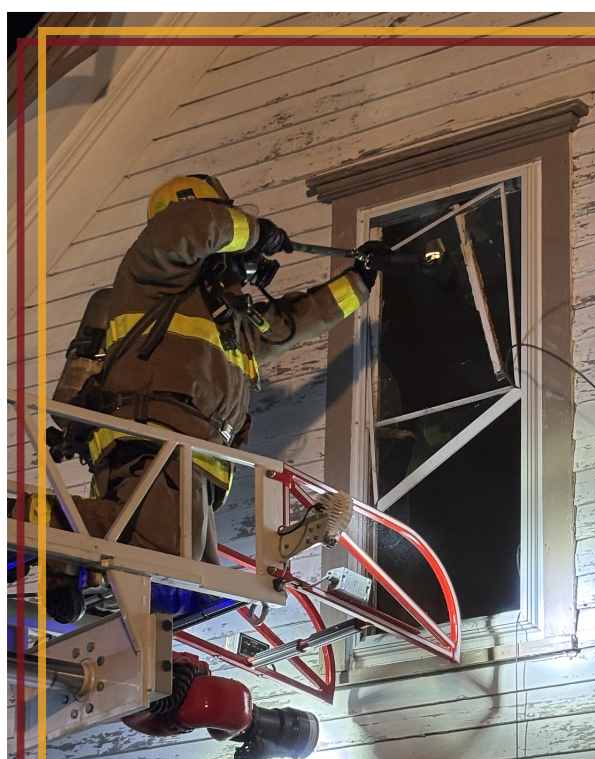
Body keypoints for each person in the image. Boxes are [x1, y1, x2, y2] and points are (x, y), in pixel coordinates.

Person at [41, 173, 385, 622]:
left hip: (194, 461)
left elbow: (297, 322)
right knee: (166, 555)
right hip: (152, 445)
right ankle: (48, 523)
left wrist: (361, 279)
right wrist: (258, 232)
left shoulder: (230, 323)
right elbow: (187, 225)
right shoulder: (152, 279)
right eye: (227, 221)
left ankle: (79, 572)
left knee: (196, 587)